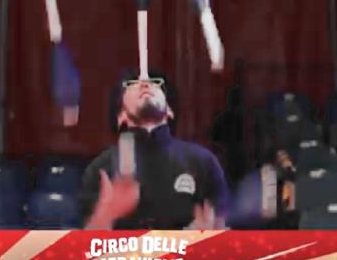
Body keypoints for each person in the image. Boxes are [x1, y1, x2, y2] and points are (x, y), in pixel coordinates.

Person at [79, 70, 229, 230]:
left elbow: (221, 229)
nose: (145, 84)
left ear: (169, 110)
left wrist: (204, 234)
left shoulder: (202, 162)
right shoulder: (101, 168)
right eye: (132, 84)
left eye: (155, 83)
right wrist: (108, 212)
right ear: (121, 116)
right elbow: (85, 242)